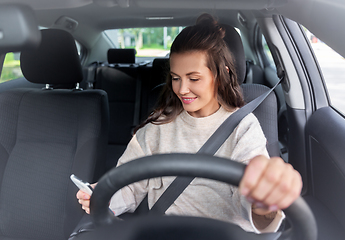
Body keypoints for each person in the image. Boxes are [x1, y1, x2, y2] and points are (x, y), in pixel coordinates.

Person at [77, 13, 302, 233]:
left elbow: (250, 196)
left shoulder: (244, 127)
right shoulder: (158, 126)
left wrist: (263, 200)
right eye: (176, 78)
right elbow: (129, 185)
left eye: (194, 78)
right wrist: (103, 195)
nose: (182, 89)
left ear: (221, 74)